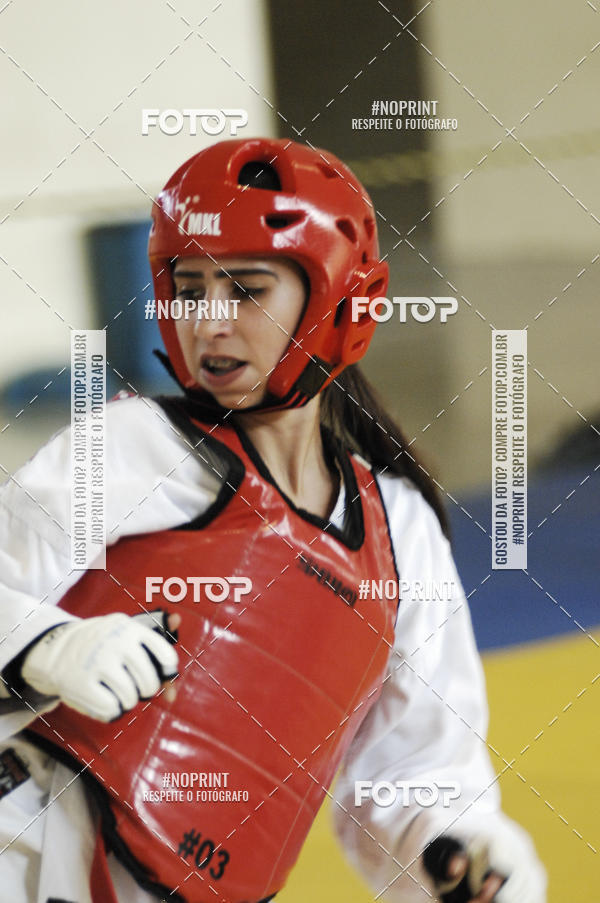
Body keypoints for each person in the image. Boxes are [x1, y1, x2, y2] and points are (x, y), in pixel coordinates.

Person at [0, 137, 547, 903]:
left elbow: (417, 773)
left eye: (247, 291)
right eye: (189, 289)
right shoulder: (127, 448)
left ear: (340, 302)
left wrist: (460, 852)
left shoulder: (403, 534)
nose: (209, 322)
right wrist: (41, 647)